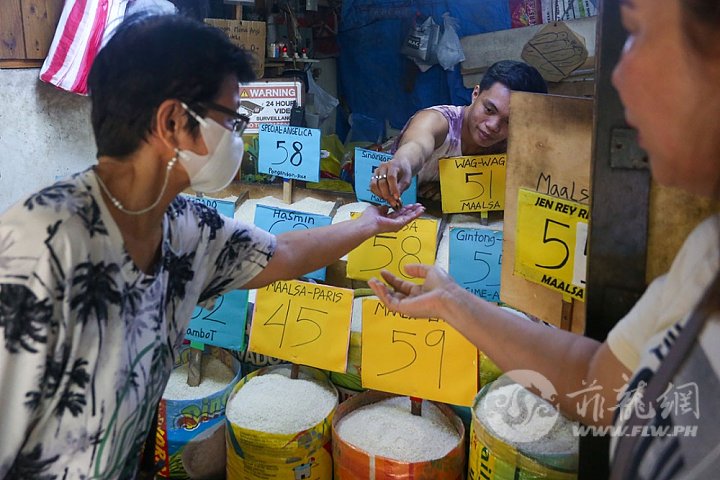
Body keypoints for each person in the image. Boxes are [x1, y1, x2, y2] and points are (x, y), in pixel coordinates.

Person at [0, 14, 424, 478]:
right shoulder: (36, 248)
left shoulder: (186, 227)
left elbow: (279, 255)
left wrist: (365, 225)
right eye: (232, 119)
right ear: (173, 121)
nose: (239, 137)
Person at [369, 0, 720, 477]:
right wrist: (450, 297)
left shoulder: (530, 154)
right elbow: (597, 380)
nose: (618, 76)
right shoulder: (702, 257)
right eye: (489, 109)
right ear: (473, 95)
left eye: (643, 35)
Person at [370, 60, 547, 207]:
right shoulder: (438, 120)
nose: (494, 126)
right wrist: (402, 163)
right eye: (489, 110)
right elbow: (417, 145)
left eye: (510, 121)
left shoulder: (512, 148)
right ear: (475, 94)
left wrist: (451, 189)